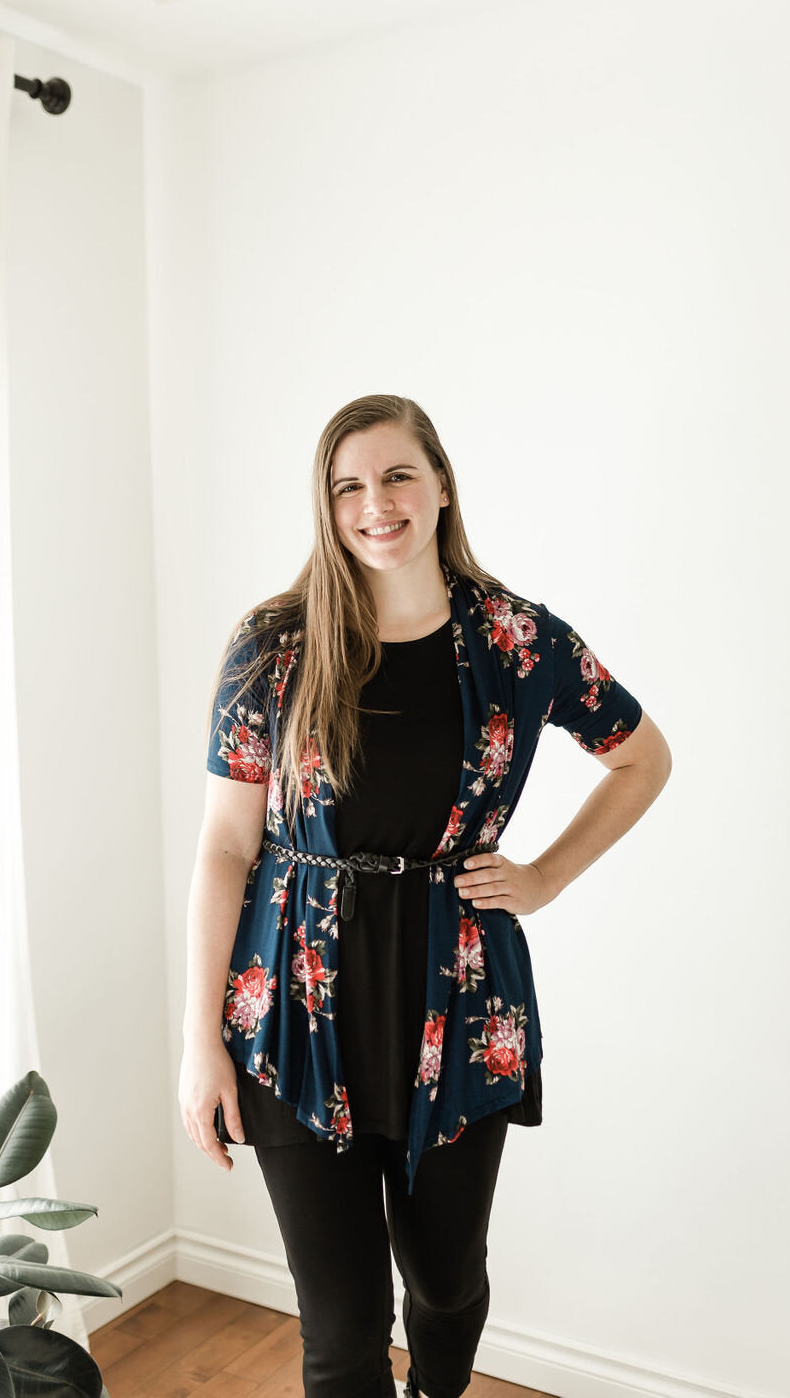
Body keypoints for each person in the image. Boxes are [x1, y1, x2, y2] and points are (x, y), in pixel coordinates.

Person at [178, 393, 672, 1398]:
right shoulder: (272, 644)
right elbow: (227, 845)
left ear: (441, 483)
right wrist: (199, 1042)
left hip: (459, 991)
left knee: (443, 1287)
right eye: (347, 484)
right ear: (326, 504)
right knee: (340, 1326)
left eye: (397, 474)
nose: (375, 503)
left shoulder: (519, 642)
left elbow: (643, 759)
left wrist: (543, 878)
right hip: (292, 1005)